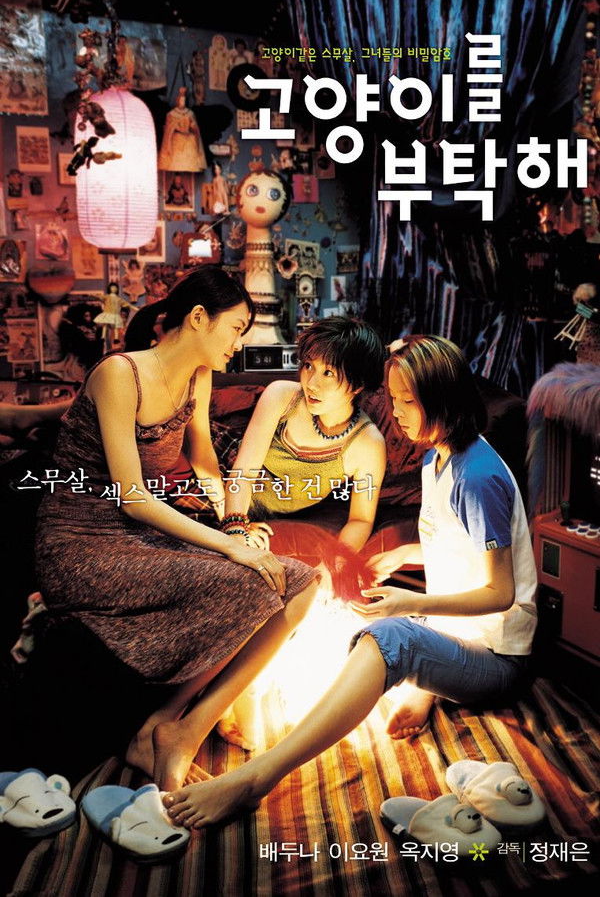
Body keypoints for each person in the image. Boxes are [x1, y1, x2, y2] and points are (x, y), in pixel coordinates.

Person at [161, 334, 537, 829]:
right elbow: (461, 546)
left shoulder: (478, 477)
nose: (396, 413)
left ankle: (255, 779)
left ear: (442, 399)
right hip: (452, 631)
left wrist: (408, 604)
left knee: (389, 636)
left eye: (407, 401)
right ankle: (196, 718)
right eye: (393, 399)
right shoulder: (437, 456)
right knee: (333, 614)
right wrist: (402, 554)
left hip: (497, 658)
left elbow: (500, 593)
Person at [34, 266, 319, 791]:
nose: (239, 343)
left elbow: (205, 460)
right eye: (235, 329)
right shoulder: (119, 373)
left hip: (138, 538)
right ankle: (159, 731)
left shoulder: (198, 377)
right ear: (198, 318)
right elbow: (133, 497)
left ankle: (177, 728)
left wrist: (236, 523)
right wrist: (228, 547)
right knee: (250, 578)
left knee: (300, 583)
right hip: (79, 542)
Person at [224, 316, 387, 554]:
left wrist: (336, 562)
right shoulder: (282, 396)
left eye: (328, 372)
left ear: (358, 384)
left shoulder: (368, 444)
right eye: (308, 365)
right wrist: (237, 527)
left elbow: (361, 520)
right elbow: (243, 473)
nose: (311, 383)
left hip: (265, 514)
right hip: (222, 481)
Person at [158, 86, 207, 172]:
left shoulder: (190, 113)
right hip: (176, 140)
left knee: (191, 143)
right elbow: (168, 129)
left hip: (188, 139)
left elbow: (196, 129)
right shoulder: (171, 114)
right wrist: (175, 126)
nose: (182, 102)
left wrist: (193, 126)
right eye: (181, 100)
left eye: (184, 100)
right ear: (177, 101)